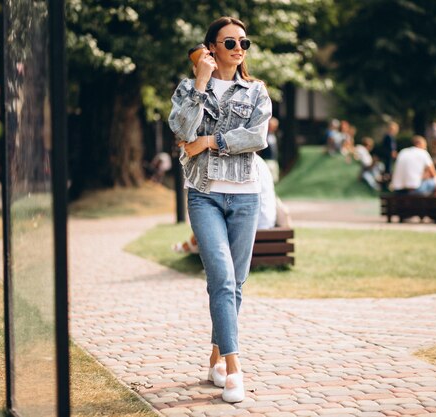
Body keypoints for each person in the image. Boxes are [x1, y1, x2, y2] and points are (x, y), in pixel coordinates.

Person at [168, 16, 271, 403]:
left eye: (244, 42)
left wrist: (211, 139)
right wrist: (199, 82)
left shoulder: (257, 90)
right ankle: (234, 367)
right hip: (204, 193)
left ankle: (215, 355)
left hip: (246, 195)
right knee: (223, 280)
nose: (239, 49)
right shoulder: (189, 88)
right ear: (211, 48)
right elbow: (181, 128)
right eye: (230, 43)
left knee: (236, 284)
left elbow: (256, 137)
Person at [259, 117, 280, 183]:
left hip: (274, 160)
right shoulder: (264, 135)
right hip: (266, 160)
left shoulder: (275, 135)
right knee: (266, 178)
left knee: (274, 179)